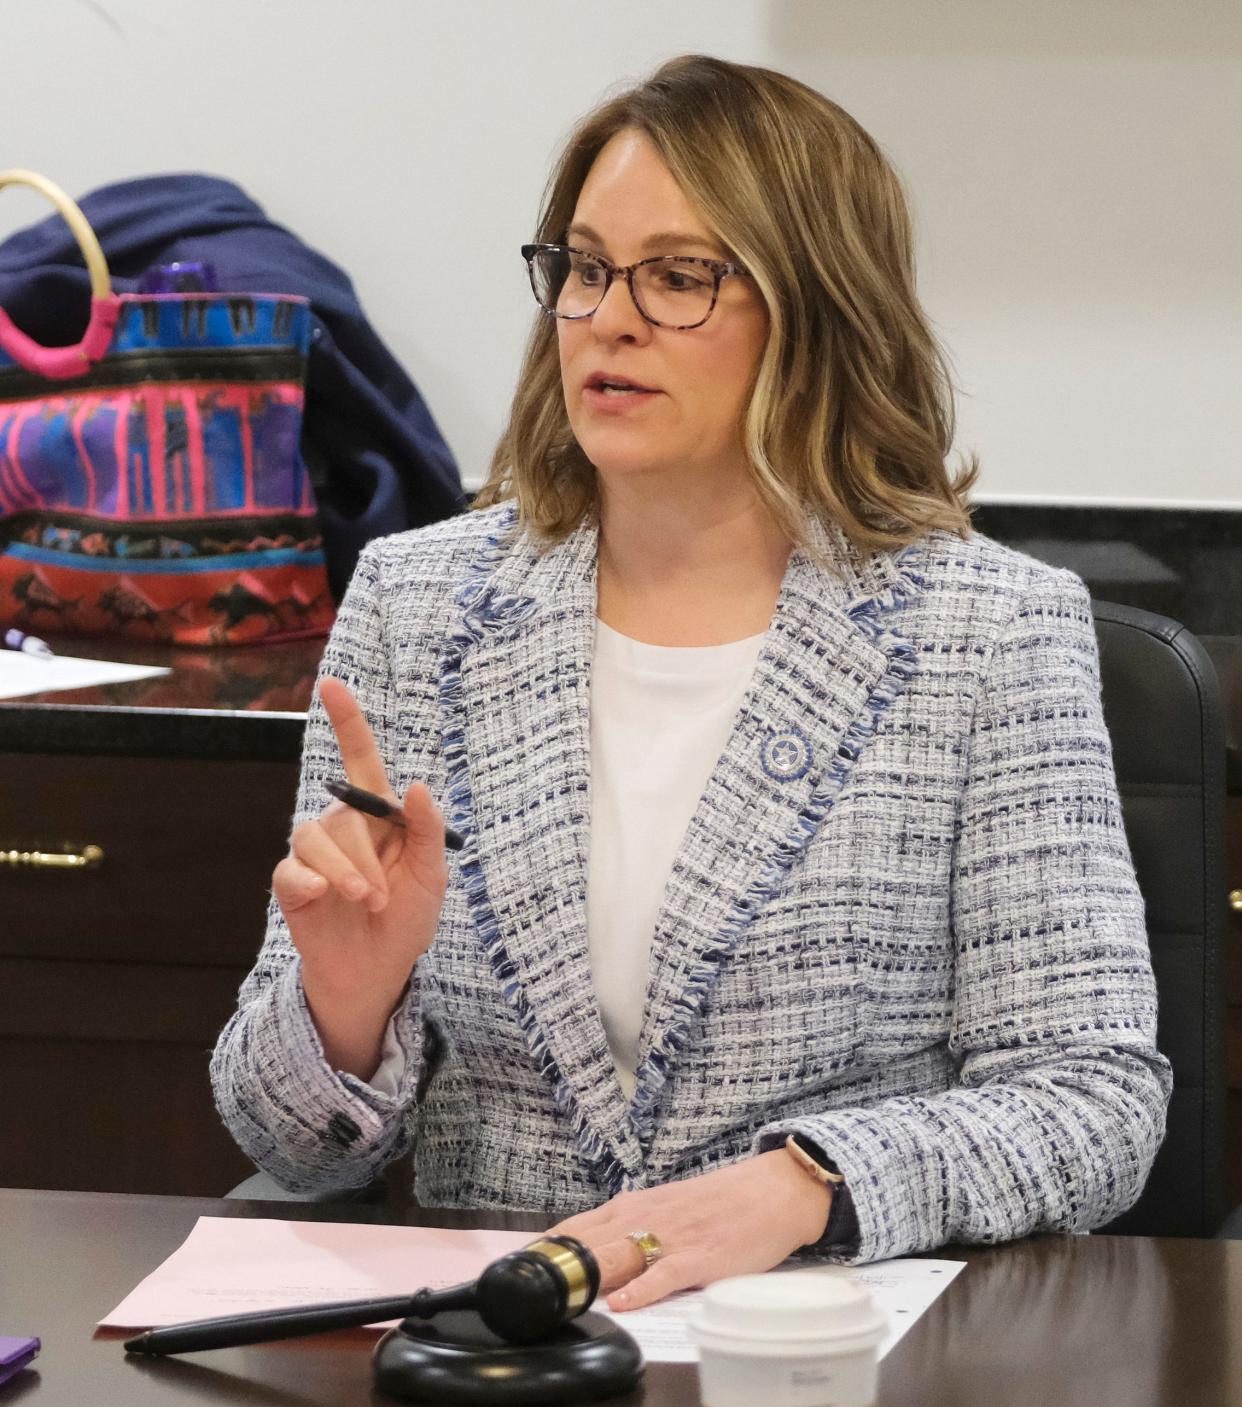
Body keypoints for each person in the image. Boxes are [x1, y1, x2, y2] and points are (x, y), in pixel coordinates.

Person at [211, 55, 1170, 1312]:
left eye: (679, 277)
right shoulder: (417, 606)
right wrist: (346, 1005)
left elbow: (1092, 1098)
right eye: (587, 267)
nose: (609, 317)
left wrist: (802, 1187)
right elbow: (282, 1140)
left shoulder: (987, 631)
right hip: (497, 1358)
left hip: (830, 1358)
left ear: (818, 310)